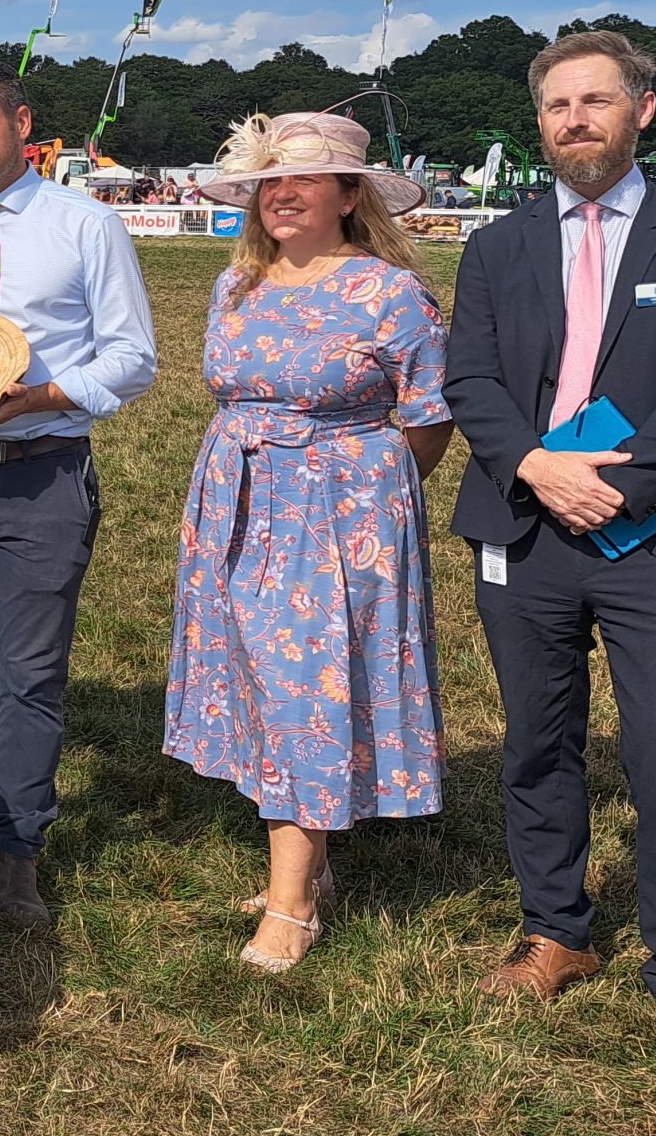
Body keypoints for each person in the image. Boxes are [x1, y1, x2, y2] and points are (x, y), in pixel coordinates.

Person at [444, 30, 656, 1083]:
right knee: (536, 744)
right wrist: (537, 468)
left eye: (593, 101)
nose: (572, 120)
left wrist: (612, 486)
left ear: (642, 110)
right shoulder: (496, 247)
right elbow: (471, 382)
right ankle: (557, 931)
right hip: (527, 524)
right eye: (555, 106)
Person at [164, 112, 452, 971]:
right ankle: (311, 865)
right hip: (236, 499)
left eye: (303, 179)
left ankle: (292, 901)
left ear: (349, 194)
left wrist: (368, 505)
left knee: (307, 687)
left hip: (336, 511)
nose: (280, 195)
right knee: (258, 673)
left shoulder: (391, 294)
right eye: (267, 182)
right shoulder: (236, 283)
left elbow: (429, 419)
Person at [0, 62, 157, 926]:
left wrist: (41, 396)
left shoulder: (87, 228)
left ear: (21, 125)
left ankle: (20, 848)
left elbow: (133, 358)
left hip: (41, 472)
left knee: (32, 674)